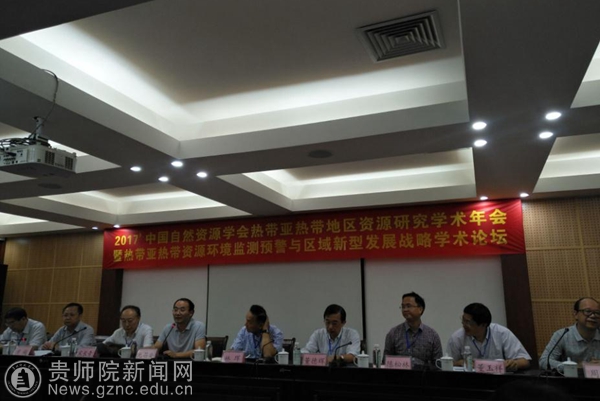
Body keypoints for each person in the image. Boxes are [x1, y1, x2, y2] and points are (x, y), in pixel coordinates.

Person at [447, 302, 531, 371]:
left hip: (499, 380)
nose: (464, 325)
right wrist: (459, 363)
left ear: (484, 324)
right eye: (463, 320)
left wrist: (514, 363)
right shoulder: (457, 338)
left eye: (469, 322)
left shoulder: (502, 333)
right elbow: (447, 364)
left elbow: (525, 361)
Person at [539, 297, 600, 370]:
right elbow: (544, 361)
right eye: (587, 311)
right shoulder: (562, 335)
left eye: (597, 313)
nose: (593, 316)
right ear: (575, 314)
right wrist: (575, 367)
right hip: (572, 377)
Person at [383, 291, 443, 367]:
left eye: (408, 306)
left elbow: (438, 365)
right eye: (403, 307)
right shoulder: (393, 333)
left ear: (420, 309)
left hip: (424, 374)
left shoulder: (432, 335)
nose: (405, 309)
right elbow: (386, 362)